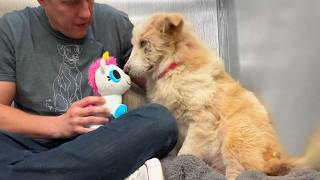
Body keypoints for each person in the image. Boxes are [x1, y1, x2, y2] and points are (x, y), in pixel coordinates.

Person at [0, 0, 178, 179]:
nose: (86, 13)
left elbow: (163, 82)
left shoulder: (113, 23)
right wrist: (58, 125)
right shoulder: (13, 28)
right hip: (33, 144)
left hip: (102, 141)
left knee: (160, 119)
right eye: (71, 3)